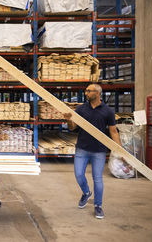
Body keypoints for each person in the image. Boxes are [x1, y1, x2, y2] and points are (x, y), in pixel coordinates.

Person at [64, 84, 121, 219]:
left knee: (97, 179)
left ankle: (98, 206)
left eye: (89, 91)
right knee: (78, 174)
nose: (86, 93)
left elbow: (113, 131)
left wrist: (119, 151)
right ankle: (86, 193)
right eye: (86, 91)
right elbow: (73, 128)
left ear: (98, 93)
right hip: (82, 148)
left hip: (99, 151)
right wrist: (68, 120)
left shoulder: (108, 111)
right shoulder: (81, 109)